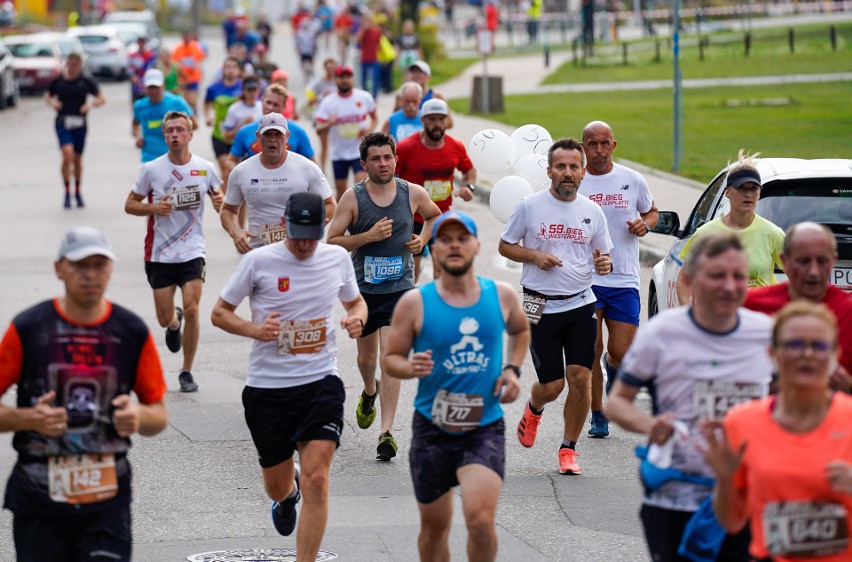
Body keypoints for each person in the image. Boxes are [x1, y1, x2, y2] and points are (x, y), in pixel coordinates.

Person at [211, 192, 368, 560]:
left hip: (320, 382)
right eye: (297, 233)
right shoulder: (259, 261)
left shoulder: (336, 258)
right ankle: (288, 494)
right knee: (277, 486)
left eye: (312, 234)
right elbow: (220, 313)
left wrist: (357, 317)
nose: (304, 243)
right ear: (284, 225)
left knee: (318, 478)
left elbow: (355, 301)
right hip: (268, 387)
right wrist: (256, 330)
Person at [0, 226, 168, 562]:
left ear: (110, 270)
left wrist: (137, 417)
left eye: (99, 265)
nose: (90, 275)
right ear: (59, 269)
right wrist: (28, 418)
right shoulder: (30, 328)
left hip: (106, 501)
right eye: (80, 265)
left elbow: (158, 415)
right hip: (39, 498)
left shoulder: (130, 331)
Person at [605, 232, 773, 562]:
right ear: (690, 280)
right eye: (717, 276)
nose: (729, 286)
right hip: (677, 497)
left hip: (747, 495)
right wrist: (651, 424)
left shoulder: (766, 334)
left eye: (738, 276)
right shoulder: (664, 331)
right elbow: (616, 403)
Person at [382, 210, 530, 562]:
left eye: (462, 238)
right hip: (432, 428)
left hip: (483, 427)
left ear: (477, 246)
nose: (454, 245)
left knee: (480, 520)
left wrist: (512, 370)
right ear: (434, 248)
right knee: (435, 530)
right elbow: (391, 359)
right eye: (445, 239)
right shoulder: (416, 302)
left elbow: (521, 330)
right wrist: (408, 366)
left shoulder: (502, 296)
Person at [703, 301, 852, 562]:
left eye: (819, 346)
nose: (807, 354)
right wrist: (725, 481)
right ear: (772, 353)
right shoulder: (742, 422)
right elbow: (733, 521)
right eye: (794, 345)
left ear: (834, 355)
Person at [498, 138, 612, 476]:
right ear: (549, 171)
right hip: (537, 303)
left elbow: (602, 256)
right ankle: (534, 408)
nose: (567, 173)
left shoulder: (593, 212)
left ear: (582, 172)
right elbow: (505, 246)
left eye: (573, 167)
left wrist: (604, 265)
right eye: (560, 167)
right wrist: (533, 255)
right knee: (552, 385)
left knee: (580, 377)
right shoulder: (529, 207)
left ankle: (568, 448)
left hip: (580, 304)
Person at [327, 132, 441, 461]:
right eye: (375, 159)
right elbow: (332, 240)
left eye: (387, 157)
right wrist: (367, 236)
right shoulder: (353, 197)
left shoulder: (412, 193)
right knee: (367, 360)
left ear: (396, 159)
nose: (383, 163)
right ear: (363, 164)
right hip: (363, 292)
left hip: (401, 290)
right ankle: (368, 390)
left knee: (391, 357)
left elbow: (433, 215)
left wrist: (423, 239)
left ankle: (387, 432)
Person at [124, 110, 224, 393]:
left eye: (181, 130)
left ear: (191, 135)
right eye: (170, 131)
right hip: (159, 253)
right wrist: (153, 208)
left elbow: (221, 198)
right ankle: (172, 322)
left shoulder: (205, 168)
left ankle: (187, 371)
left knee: (194, 308)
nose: (175, 135)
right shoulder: (151, 169)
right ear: (164, 135)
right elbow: (130, 204)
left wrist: (221, 204)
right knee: (164, 316)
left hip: (193, 249)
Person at [579, 120, 658, 438]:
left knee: (622, 352)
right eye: (591, 144)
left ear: (614, 145)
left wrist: (646, 224)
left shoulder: (631, 179)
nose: (598, 150)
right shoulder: (576, 180)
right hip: (586, 279)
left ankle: (615, 370)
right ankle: (598, 414)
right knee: (592, 349)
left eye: (604, 143)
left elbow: (652, 211)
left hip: (624, 277)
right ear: (583, 147)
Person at [743, 222, 852, 391]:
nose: (814, 271)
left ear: (833, 261)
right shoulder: (749, 306)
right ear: (784, 261)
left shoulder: (848, 311)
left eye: (822, 261)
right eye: (804, 261)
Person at [677, 150, 785, 304]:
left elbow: (798, 277)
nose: (748, 194)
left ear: (759, 193)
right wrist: (689, 314)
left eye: (753, 189)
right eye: (742, 188)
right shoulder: (705, 234)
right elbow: (683, 279)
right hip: (717, 318)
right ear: (727, 193)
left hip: (759, 318)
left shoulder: (773, 233)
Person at [222, 112, 335, 254]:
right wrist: (236, 232)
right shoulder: (242, 171)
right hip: (260, 252)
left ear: (287, 136)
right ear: (258, 137)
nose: (273, 140)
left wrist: (312, 227)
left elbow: (330, 204)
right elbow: (228, 210)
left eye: (278, 135)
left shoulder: (307, 167)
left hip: (298, 250)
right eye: (267, 135)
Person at [396, 98, 474, 281]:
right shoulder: (406, 147)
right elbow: (390, 176)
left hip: (442, 217)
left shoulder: (456, 147)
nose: (437, 124)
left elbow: (469, 170)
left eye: (441, 119)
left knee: (442, 272)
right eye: (432, 119)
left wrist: (469, 186)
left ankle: (438, 308)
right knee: (411, 275)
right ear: (422, 120)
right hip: (412, 219)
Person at [45, 52, 105, 209]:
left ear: (80, 65)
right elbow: (48, 95)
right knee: (67, 154)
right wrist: (53, 104)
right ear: (66, 64)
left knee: (77, 159)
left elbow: (101, 98)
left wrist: (90, 105)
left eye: (75, 65)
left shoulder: (85, 81)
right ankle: (66, 191)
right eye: (70, 64)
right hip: (62, 122)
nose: (72, 68)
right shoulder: (59, 81)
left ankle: (77, 191)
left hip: (80, 123)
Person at [314, 65, 378, 200]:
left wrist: (369, 129)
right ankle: (344, 219)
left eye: (347, 77)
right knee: (342, 193)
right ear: (335, 79)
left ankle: (361, 218)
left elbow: (374, 118)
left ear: (352, 79)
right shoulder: (328, 102)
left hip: (359, 151)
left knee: (362, 187)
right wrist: (329, 123)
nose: (344, 80)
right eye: (341, 77)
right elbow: (319, 130)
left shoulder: (364, 97)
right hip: (339, 154)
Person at [228, 84, 315, 168]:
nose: (270, 107)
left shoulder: (298, 132)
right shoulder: (245, 131)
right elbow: (231, 160)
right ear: (262, 101)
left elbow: (313, 164)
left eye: (276, 104)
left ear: (284, 107)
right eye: (268, 102)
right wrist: (242, 176)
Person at [132, 69, 196, 164]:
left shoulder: (176, 102)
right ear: (145, 87)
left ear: (163, 85)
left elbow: (195, 124)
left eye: (156, 87)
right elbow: (135, 123)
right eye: (150, 87)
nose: (153, 91)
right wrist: (138, 136)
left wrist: (177, 130)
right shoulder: (140, 106)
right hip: (148, 158)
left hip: (173, 158)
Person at [204, 57, 244, 178]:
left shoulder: (244, 88)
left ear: (239, 71)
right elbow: (206, 102)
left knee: (238, 173)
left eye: (234, 67)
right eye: (228, 67)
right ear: (223, 70)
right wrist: (208, 116)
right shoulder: (213, 88)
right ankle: (224, 197)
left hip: (238, 136)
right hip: (219, 136)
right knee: (226, 172)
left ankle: (236, 197)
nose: (231, 70)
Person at [405, 60, 453, 128]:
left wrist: (433, 123)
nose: (416, 75)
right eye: (413, 72)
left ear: (428, 76)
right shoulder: (402, 96)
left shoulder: (436, 95)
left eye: (419, 72)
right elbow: (394, 120)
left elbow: (449, 123)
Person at [172, 30, 206, 112]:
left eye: (188, 36)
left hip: (194, 77)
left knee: (192, 98)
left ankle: (194, 111)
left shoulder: (196, 46)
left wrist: (196, 66)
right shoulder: (178, 48)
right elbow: (175, 61)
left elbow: (200, 59)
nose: (186, 38)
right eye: (185, 36)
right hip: (183, 78)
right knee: (185, 98)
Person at [356, 14, 381, 99]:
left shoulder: (376, 31)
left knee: (375, 77)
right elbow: (358, 41)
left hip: (374, 58)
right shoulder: (362, 31)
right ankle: (364, 93)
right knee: (364, 78)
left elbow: (379, 43)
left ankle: (375, 94)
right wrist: (363, 30)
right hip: (364, 58)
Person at [128, 36, 156, 102]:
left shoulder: (151, 56)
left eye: (143, 42)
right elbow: (129, 70)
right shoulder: (132, 56)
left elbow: (154, 68)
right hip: (136, 87)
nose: (141, 44)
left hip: (148, 85)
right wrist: (132, 77)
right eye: (140, 42)